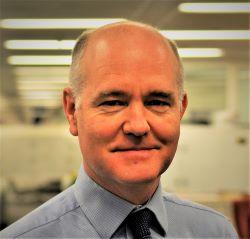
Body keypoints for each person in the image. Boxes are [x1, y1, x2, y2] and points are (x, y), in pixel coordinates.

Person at [1, 20, 238, 238]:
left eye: (158, 102)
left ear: (180, 109)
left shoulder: (215, 231)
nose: (138, 126)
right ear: (72, 110)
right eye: (113, 102)